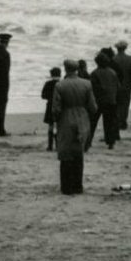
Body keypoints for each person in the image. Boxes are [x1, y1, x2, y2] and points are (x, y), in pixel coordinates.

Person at [52, 59, 96, 195]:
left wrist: (55, 120)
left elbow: (56, 109)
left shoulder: (60, 85)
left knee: (66, 154)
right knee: (78, 153)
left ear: (65, 69)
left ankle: (66, 187)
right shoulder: (87, 84)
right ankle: (78, 186)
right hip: (82, 117)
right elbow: (93, 107)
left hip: (66, 118)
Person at [87, 52, 120, 151]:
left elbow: (92, 88)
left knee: (92, 122)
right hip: (111, 100)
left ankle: (88, 142)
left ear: (97, 62)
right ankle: (111, 143)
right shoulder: (113, 72)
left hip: (99, 101)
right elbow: (118, 87)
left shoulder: (94, 73)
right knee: (110, 123)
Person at [112, 40, 131, 130]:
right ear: (125, 48)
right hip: (127, 86)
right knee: (125, 104)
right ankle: (123, 122)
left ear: (117, 48)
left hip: (115, 86)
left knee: (115, 104)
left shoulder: (112, 59)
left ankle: (116, 122)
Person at [40, 67, 61, 151]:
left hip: (50, 106)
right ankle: (58, 145)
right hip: (60, 106)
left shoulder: (48, 84)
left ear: (51, 74)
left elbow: (43, 96)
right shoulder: (62, 83)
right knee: (59, 126)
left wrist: (50, 97)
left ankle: (50, 145)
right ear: (60, 74)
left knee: (51, 126)